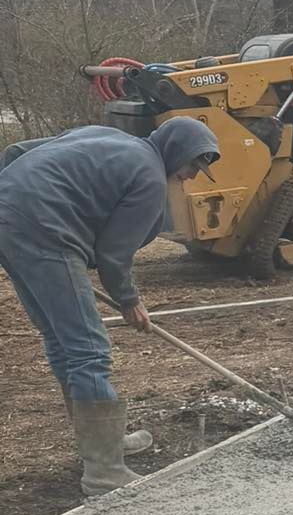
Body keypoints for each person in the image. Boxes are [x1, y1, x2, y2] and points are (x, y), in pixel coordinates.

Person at [0, 116, 221, 495]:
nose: (190, 177)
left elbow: (15, 152)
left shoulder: (105, 136)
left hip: (10, 218)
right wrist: (129, 302)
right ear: (176, 152)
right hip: (46, 231)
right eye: (191, 167)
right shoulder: (150, 178)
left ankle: (99, 445)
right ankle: (104, 472)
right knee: (88, 348)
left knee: (61, 339)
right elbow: (114, 256)